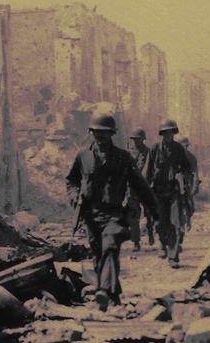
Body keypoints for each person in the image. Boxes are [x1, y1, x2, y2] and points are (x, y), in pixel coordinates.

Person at [66, 114, 159, 311]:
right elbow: (71, 181)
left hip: (115, 214)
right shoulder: (82, 155)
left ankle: (103, 291)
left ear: (112, 134)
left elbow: (141, 186)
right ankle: (113, 295)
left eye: (105, 133)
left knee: (109, 245)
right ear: (92, 133)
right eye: (97, 132)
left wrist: (156, 213)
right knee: (99, 255)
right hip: (91, 215)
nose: (100, 136)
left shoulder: (123, 157)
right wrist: (74, 196)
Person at [146, 119, 190, 268]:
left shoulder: (179, 149)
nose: (168, 134)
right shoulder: (154, 149)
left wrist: (184, 184)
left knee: (175, 224)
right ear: (162, 134)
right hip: (157, 191)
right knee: (159, 223)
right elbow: (147, 171)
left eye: (171, 132)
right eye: (165, 132)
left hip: (173, 191)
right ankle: (162, 245)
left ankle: (173, 256)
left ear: (174, 133)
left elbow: (186, 168)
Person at [125, 127, 154, 250]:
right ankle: (136, 242)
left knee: (149, 214)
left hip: (145, 188)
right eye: (134, 139)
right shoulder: (128, 152)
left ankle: (151, 233)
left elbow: (151, 170)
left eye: (138, 139)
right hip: (132, 189)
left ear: (143, 139)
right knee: (133, 216)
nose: (136, 142)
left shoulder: (149, 153)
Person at [178, 137, 201, 231]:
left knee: (189, 205)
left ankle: (188, 219)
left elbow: (195, 172)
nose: (185, 148)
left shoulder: (191, 158)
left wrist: (195, 186)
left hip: (188, 183)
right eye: (183, 146)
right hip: (178, 183)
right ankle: (181, 223)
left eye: (186, 146)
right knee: (178, 204)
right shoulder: (175, 157)